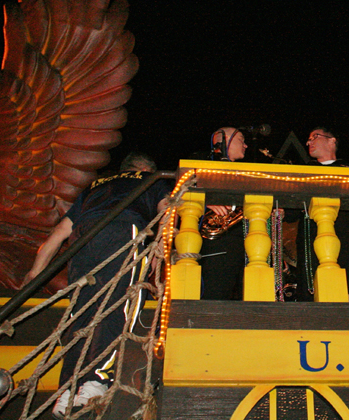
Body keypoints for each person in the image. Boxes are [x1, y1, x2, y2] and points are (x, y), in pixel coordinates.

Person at [22, 152, 170, 419]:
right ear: (146, 168)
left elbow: (59, 233)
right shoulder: (152, 179)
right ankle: (96, 380)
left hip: (83, 239)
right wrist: (164, 247)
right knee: (117, 305)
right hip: (123, 231)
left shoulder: (95, 186)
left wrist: (35, 271)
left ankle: (68, 389)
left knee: (81, 313)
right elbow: (166, 212)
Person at [293, 127, 349, 300]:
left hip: (345, 237)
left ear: (332, 141)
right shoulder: (304, 171)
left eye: (314, 137)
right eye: (308, 139)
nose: (309, 142)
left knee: (346, 286)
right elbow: (292, 211)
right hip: (311, 238)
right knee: (311, 288)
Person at [200, 127, 249, 300]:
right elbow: (178, 196)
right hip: (218, 246)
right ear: (224, 140)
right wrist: (206, 201)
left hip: (244, 246)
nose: (246, 145)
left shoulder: (244, 173)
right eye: (240, 140)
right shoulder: (203, 167)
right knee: (215, 294)